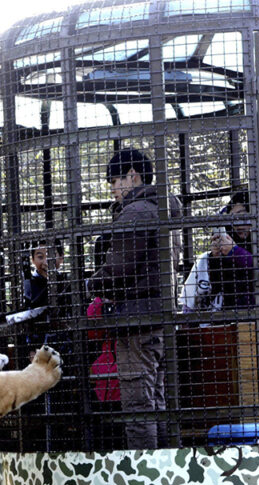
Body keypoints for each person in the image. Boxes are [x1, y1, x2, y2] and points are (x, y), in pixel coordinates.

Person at [86, 148, 180, 449]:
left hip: (136, 320)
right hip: (160, 316)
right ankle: (167, 472)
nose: (112, 189)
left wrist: (90, 284)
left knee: (137, 405)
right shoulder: (163, 209)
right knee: (156, 400)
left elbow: (119, 268)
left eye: (114, 180)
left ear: (131, 175)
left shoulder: (136, 212)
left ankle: (144, 479)